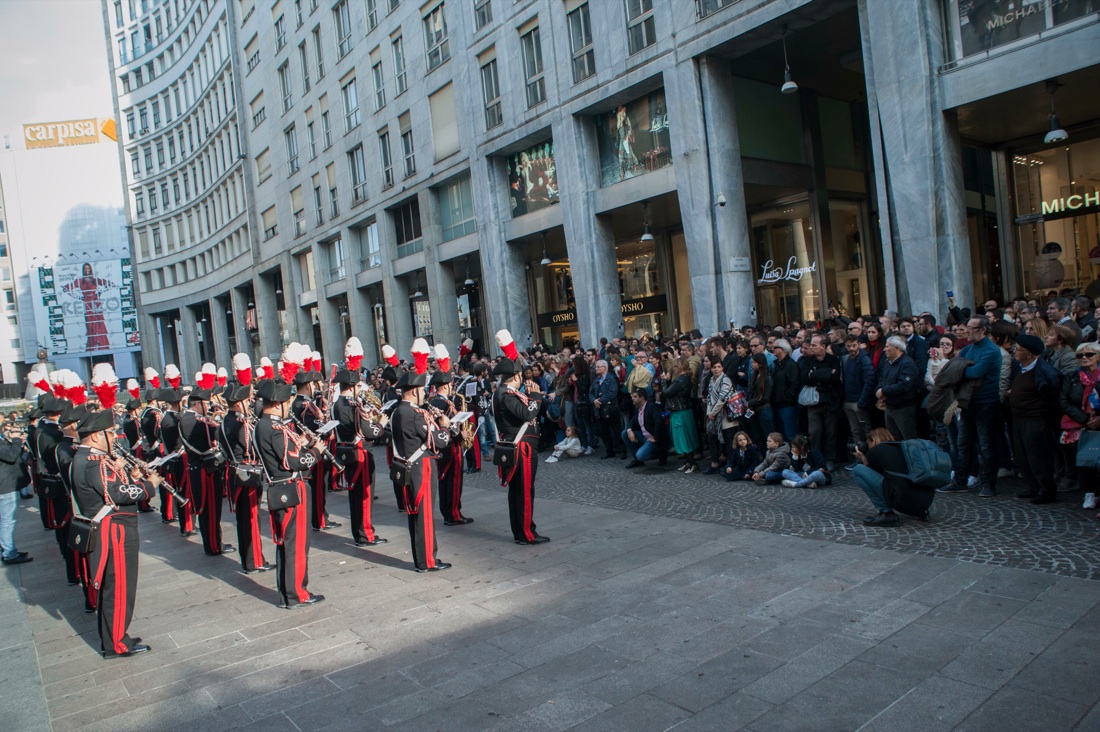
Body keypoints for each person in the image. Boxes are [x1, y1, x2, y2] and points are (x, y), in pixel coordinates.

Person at [70, 408, 159, 657]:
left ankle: (115, 636)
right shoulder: (93, 462)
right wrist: (148, 487)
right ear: (97, 436)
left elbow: (110, 489)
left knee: (117, 586)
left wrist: (131, 476)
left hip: (110, 527)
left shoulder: (86, 459)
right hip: (115, 532)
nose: (113, 437)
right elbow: (117, 495)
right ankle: (117, 642)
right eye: (110, 432)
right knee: (119, 588)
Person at [255, 379, 325, 607]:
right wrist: (315, 451)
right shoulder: (273, 428)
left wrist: (300, 442)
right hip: (290, 488)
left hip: (281, 486)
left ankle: (290, 592)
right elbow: (294, 462)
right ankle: (296, 593)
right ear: (277, 404)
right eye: (286, 402)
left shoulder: (264, 424)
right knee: (295, 544)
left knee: (288, 544)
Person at [391, 344, 454, 572]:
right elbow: (438, 441)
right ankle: (428, 560)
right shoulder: (416, 414)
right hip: (422, 467)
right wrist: (445, 427)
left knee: (415, 514)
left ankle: (422, 559)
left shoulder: (398, 411)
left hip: (409, 465)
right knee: (425, 514)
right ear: (415, 390)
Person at [492, 330, 549, 545]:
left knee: (519, 491)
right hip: (521, 447)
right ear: (515, 376)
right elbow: (527, 414)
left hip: (519, 445)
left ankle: (521, 531)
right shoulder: (506, 394)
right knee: (524, 492)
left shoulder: (506, 393)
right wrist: (535, 396)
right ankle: (526, 533)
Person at [939, 317, 1004, 497]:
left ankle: (989, 483)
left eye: (971, 328)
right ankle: (960, 480)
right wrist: (959, 371)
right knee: (963, 443)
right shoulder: (968, 349)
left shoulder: (991, 351)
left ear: (983, 330)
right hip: (967, 402)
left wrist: (959, 371)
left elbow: (974, 372)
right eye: (966, 327)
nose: (967, 331)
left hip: (986, 402)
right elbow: (954, 368)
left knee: (986, 445)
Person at [218, 382, 272, 574]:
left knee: (244, 519)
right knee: (251, 518)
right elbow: (253, 448)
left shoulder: (226, 420)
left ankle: (250, 559)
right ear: (239, 402)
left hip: (234, 471)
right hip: (247, 473)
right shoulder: (240, 424)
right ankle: (254, 560)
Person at [333, 368, 388, 545]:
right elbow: (369, 432)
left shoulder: (337, 404)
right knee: (364, 496)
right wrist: (380, 424)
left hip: (346, 451)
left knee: (355, 497)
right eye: (358, 385)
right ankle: (365, 534)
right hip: (359, 454)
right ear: (351, 387)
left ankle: (359, 532)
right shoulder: (352, 406)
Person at [1007, 334, 1063, 504]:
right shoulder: (1020, 367)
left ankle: (1047, 490)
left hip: (1035, 420)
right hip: (1018, 418)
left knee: (1037, 456)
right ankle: (1033, 486)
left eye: (1019, 349)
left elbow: (1053, 394)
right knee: (1022, 456)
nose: (1015, 351)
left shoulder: (1044, 370)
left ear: (1029, 353)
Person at [180, 384, 232, 556]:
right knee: (210, 509)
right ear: (197, 404)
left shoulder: (192, 418)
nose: (209, 407)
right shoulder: (192, 421)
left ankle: (214, 542)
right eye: (206, 404)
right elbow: (208, 442)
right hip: (204, 470)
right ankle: (213, 545)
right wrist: (218, 423)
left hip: (202, 468)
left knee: (212, 509)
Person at [851, 427, 924, 527]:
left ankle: (886, 513)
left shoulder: (876, 451)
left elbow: (871, 475)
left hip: (902, 500)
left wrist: (863, 458)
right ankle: (922, 512)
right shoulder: (903, 447)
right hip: (923, 503)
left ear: (873, 440)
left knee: (857, 470)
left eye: (869, 444)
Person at [1058, 341, 1100, 494]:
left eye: (1089, 354)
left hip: (1098, 423)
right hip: (1078, 422)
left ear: (1098, 356)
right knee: (1083, 457)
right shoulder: (1071, 377)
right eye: (1080, 355)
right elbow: (1064, 401)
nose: (1084, 357)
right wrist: (1085, 419)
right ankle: (1087, 491)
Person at [799, 334, 843, 470]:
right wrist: (825, 375)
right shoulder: (808, 361)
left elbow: (835, 376)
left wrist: (816, 376)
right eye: (810, 345)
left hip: (830, 401)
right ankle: (816, 459)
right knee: (814, 433)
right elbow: (805, 378)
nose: (811, 347)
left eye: (814, 345)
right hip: (814, 403)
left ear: (823, 346)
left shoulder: (833, 360)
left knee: (830, 432)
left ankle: (830, 459)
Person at [0, 413, 31, 566]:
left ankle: (7, 549)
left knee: (6, 521)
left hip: (6, 485)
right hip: (5, 487)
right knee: (7, 521)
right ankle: (9, 553)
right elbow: (11, 456)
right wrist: (16, 441)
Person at [876, 335, 921, 440]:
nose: (884, 349)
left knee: (908, 439)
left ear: (897, 348)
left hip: (903, 408)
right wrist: (879, 391)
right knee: (893, 438)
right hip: (889, 406)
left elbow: (904, 385)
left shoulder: (907, 364)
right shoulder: (888, 363)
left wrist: (884, 391)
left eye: (887, 347)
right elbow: (882, 379)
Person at [842, 334, 876, 467]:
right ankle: (858, 457)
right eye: (848, 346)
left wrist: (863, 401)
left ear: (858, 344)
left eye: (854, 345)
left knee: (866, 430)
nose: (851, 348)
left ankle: (871, 457)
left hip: (859, 400)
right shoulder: (846, 359)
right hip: (848, 400)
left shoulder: (864, 359)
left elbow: (869, 381)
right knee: (855, 431)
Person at [663, 358, 699, 474]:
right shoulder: (682, 379)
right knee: (683, 438)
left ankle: (692, 463)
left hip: (681, 412)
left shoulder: (681, 380)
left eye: (675, 366)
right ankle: (688, 462)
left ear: (679, 367)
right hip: (680, 411)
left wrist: (664, 381)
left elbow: (668, 392)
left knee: (685, 438)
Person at [702, 359, 734, 474]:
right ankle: (714, 463)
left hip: (725, 415)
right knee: (711, 438)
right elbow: (710, 397)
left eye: (719, 367)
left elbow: (722, 399)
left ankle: (730, 465)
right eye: (714, 367)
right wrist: (710, 413)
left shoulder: (726, 380)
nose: (716, 369)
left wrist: (713, 412)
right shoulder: (711, 380)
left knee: (728, 441)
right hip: (713, 415)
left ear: (722, 368)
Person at [623, 388, 666, 468]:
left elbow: (659, 422)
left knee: (640, 455)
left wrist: (656, 438)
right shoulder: (638, 409)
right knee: (625, 433)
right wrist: (629, 430)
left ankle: (660, 453)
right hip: (644, 437)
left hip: (653, 439)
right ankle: (637, 460)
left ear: (642, 398)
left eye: (635, 397)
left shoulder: (651, 407)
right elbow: (631, 422)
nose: (632, 398)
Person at [589, 359, 622, 459]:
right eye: (596, 367)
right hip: (598, 410)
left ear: (605, 368)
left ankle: (622, 450)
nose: (597, 368)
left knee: (616, 430)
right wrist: (594, 400)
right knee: (603, 432)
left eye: (599, 367)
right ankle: (609, 450)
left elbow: (613, 392)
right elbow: (590, 393)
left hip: (610, 409)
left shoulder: (611, 378)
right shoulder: (596, 380)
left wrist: (601, 400)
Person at [771, 339, 800, 440]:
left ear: (783, 349)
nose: (772, 349)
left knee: (790, 434)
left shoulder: (791, 365)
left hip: (788, 405)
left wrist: (786, 397)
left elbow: (794, 384)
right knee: (781, 434)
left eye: (775, 347)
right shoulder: (776, 364)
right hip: (777, 404)